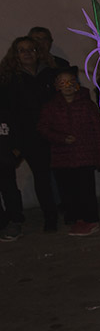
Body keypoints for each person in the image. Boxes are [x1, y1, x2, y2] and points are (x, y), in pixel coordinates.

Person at [36, 67, 100, 236]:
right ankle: (77, 219)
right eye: (63, 82)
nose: (67, 85)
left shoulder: (87, 105)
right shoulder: (51, 107)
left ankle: (91, 219)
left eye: (71, 82)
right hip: (63, 158)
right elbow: (43, 128)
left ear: (76, 84)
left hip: (85, 157)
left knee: (86, 190)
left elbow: (98, 130)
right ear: (56, 86)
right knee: (69, 192)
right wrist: (60, 138)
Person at [0, 37, 58, 231]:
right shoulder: (10, 79)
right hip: (26, 136)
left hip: (51, 131)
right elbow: (9, 112)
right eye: (21, 50)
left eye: (31, 49)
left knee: (52, 176)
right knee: (38, 177)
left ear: (38, 52)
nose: (27, 53)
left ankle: (58, 214)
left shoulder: (49, 74)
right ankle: (40, 217)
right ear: (15, 55)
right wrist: (15, 142)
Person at [0, 93, 25, 242]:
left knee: (10, 191)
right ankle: (2, 223)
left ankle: (15, 221)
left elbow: (18, 132)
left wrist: (17, 150)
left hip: (5, 161)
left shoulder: (6, 114)